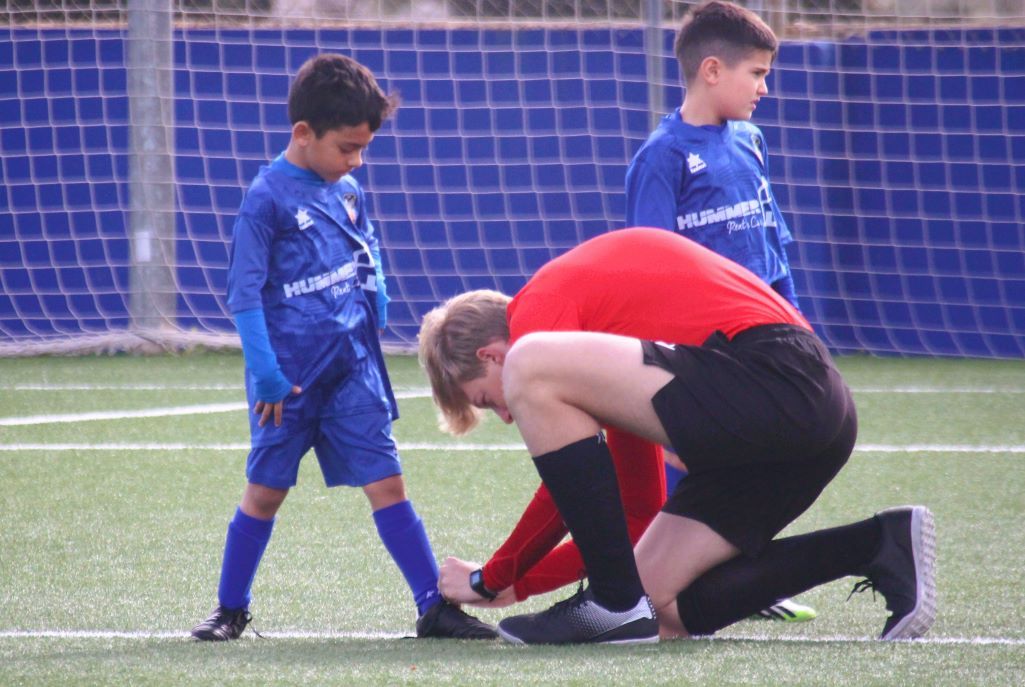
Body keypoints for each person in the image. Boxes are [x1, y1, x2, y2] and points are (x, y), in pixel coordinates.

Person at [419, 228, 936, 645]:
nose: (507, 416)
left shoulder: (536, 316)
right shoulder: (606, 363)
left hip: (781, 377)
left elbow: (562, 485)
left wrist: (492, 576)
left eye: (487, 399)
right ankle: (878, 544)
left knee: (531, 366)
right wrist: (519, 585)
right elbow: (634, 513)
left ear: (491, 355)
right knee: (658, 607)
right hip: (806, 414)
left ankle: (612, 603)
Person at [189, 53, 496, 642]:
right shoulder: (266, 199)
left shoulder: (347, 188)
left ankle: (433, 606)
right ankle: (230, 608)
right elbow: (244, 295)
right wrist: (265, 372)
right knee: (266, 492)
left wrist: (375, 288)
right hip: (288, 381)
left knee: (388, 482)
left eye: (362, 149)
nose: (356, 161)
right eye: (347, 148)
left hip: (353, 368)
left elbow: (366, 242)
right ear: (304, 133)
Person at [624, 0, 814, 621]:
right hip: (702, 350)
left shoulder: (751, 141)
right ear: (711, 70)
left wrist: (798, 328)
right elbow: (649, 269)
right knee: (698, 461)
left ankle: (741, 577)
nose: (765, 88)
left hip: (765, 339)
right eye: (756, 74)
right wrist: (667, 368)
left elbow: (771, 244)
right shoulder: (663, 156)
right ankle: (687, 582)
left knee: (767, 456)